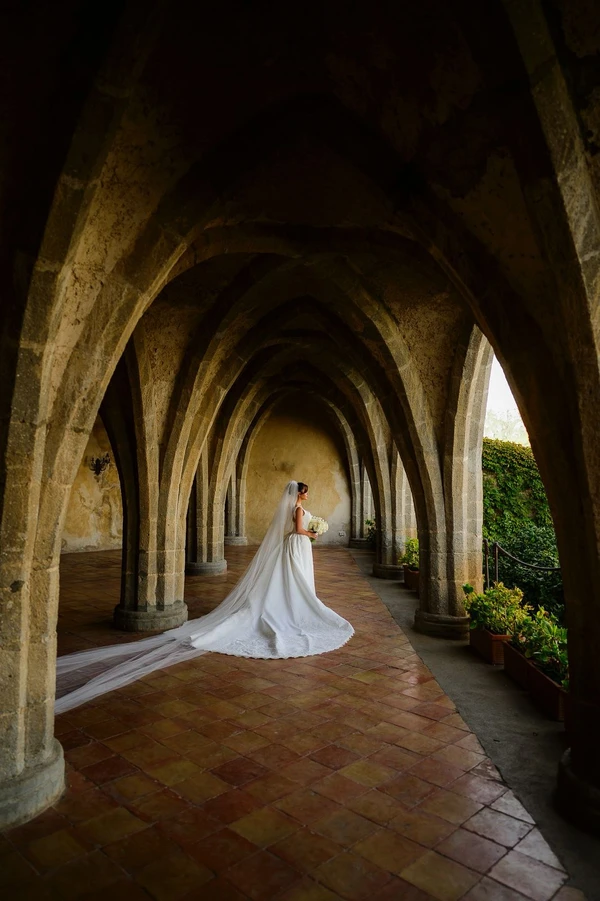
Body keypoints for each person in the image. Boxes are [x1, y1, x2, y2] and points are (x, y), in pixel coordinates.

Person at [55, 480, 354, 713]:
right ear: (299, 493)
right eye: (306, 492)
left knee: (291, 580)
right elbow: (300, 529)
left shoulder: (292, 507)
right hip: (297, 545)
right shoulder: (298, 510)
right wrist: (314, 534)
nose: (307, 495)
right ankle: (292, 607)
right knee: (294, 580)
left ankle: (290, 602)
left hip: (294, 548)